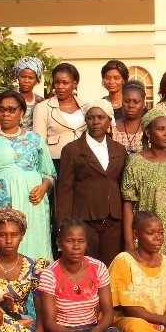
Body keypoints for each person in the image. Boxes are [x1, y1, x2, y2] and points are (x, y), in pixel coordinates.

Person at [41, 218, 145, 332]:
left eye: (81, 241)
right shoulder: (49, 274)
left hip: (92, 327)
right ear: (59, 244)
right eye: (70, 241)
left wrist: (96, 331)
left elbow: (108, 314)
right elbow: (49, 324)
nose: (76, 247)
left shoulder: (98, 268)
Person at [0, 90, 55, 261]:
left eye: (11, 109)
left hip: (33, 204)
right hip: (1, 201)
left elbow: (49, 173)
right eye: (1, 110)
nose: (6, 114)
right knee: (3, 243)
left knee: (34, 246)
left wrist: (44, 186)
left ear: (22, 112)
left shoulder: (35, 139)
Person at [122, 108, 166, 298]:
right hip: (146, 235)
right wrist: (130, 242)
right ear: (148, 132)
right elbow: (128, 204)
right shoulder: (136, 162)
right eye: (161, 129)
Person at [54, 99, 127, 265]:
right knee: (85, 266)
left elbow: (122, 185)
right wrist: (64, 226)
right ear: (85, 120)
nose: (95, 122)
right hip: (84, 221)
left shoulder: (119, 150)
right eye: (90, 118)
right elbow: (65, 191)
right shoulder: (72, 150)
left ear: (109, 120)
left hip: (113, 220)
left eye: (101, 117)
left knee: (110, 268)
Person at [34, 61, 87, 158]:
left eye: (65, 83)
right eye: (57, 82)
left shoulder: (86, 107)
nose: (60, 87)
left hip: (83, 161)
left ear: (74, 84)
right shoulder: (43, 107)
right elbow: (39, 142)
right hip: (56, 161)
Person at [112, 81, 146, 154]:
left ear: (143, 104)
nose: (131, 105)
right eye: (127, 101)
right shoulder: (112, 127)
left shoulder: (148, 129)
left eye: (136, 102)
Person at [14, 56, 45, 132]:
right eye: (23, 76)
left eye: (30, 78)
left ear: (36, 80)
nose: (26, 81)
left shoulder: (41, 102)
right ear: (18, 77)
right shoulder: (10, 98)